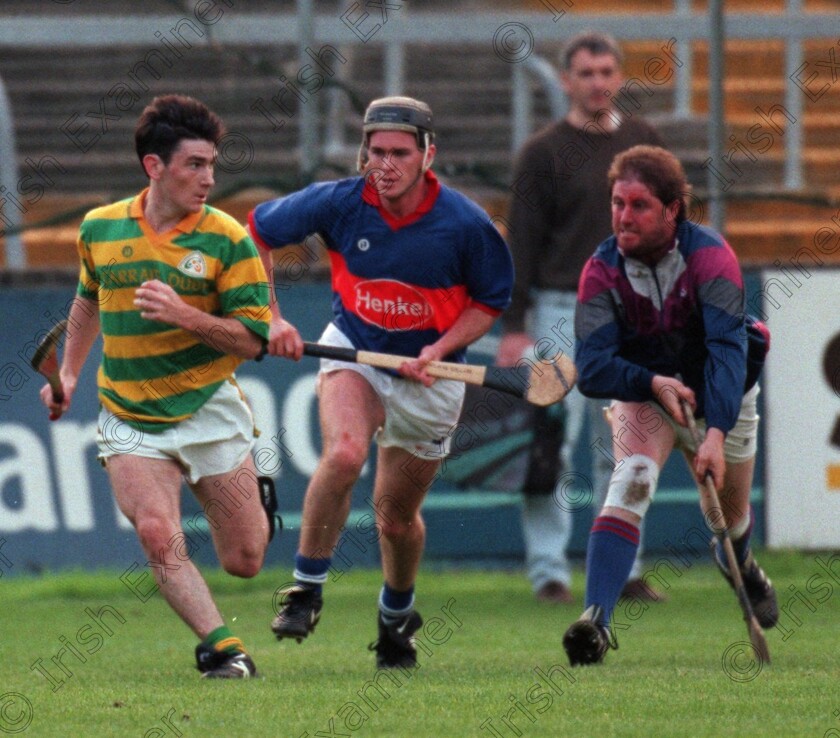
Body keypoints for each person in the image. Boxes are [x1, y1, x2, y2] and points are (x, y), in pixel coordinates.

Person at [249, 96, 514, 668]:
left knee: (395, 518)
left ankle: (396, 615)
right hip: (355, 349)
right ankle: (305, 590)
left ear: (428, 155)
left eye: (399, 153)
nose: (385, 165)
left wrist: (439, 348)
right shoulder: (342, 203)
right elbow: (256, 233)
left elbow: (491, 300)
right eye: (376, 153)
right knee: (344, 455)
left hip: (432, 376)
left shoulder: (465, 224)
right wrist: (269, 316)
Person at [39, 94, 278, 679]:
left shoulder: (227, 239)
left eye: (212, 164)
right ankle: (223, 649)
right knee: (155, 532)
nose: (209, 178)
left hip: (208, 406)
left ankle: (255, 495)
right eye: (195, 164)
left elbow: (252, 341)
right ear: (155, 167)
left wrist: (187, 315)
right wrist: (69, 372)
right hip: (127, 411)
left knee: (245, 559)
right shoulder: (99, 228)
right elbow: (88, 299)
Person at [562, 144, 778, 665]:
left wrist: (714, 434)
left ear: (671, 210)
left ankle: (740, 563)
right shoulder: (601, 270)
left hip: (717, 392)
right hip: (646, 394)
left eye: (638, 205)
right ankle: (597, 621)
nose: (623, 216)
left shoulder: (709, 257)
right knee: (631, 478)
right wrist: (652, 382)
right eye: (617, 203)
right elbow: (591, 368)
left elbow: (728, 352)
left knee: (726, 514)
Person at [497, 31, 665, 604]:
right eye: (586, 73)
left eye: (606, 71)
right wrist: (515, 326)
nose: (597, 82)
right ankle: (548, 571)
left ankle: (625, 566)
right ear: (567, 81)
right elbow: (521, 243)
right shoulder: (542, 153)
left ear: (619, 77)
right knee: (550, 442)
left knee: (625, 442)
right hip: (559, 311)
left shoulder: (644, 146)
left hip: (634, 308)